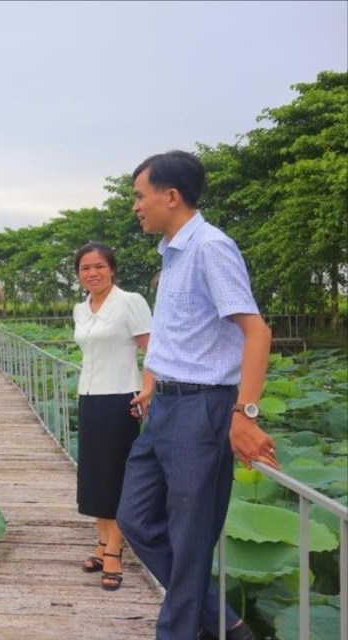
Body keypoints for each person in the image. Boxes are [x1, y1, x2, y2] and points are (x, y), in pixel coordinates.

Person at [116, 150, 279, 640]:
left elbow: (257, 332)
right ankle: (222, 621)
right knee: (135, 518)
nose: (135, 207)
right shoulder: (172, 254)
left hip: (201, 408)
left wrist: (244, 415)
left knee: (189, 543)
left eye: (140, 197)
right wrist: (150, 383)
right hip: (165, 404)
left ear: (171, 196)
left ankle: (180, 631)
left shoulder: (210, 248)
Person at [72, 242, 151, 591]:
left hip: (121, 398)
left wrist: (147, 390)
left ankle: (115, 550)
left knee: (116, 474)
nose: (93, 273)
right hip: (88, 397)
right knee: (94, 476)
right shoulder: (80, 309)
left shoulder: (130, 302)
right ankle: (104, 542)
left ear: (112, 269)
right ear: (79, 274)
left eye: (99, 266)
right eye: (86, 268)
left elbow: (154, 350)